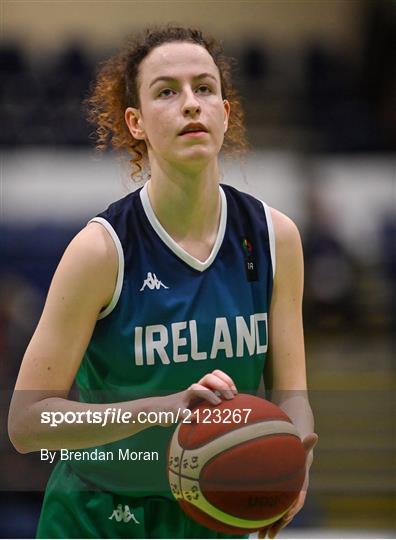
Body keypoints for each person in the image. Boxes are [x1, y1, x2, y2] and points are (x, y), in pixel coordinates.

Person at [8, 26, 317, 539]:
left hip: (214, 514)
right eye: (167, 91)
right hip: (96, 517)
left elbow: (292, 395)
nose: (191, 104)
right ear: (136, 123)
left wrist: (294, 452)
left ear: (226, 111)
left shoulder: (275, 237)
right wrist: (166, 409)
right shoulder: (100, 250)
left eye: (204, 88)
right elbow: (27, 424)